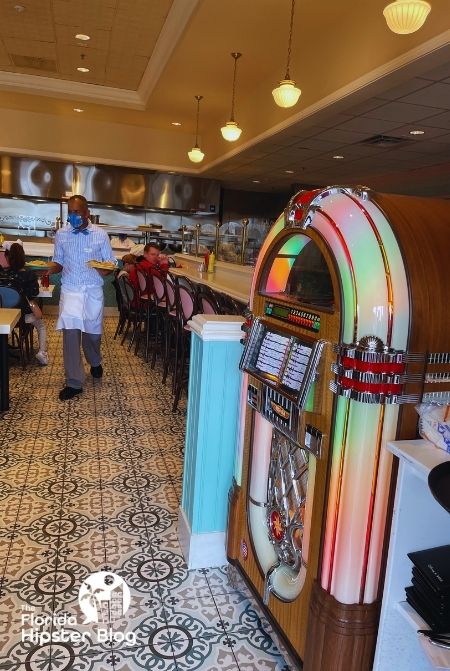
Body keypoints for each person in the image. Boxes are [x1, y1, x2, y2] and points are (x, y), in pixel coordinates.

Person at [46, 195, 117, 401]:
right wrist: (46, 270)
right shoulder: (61, 234)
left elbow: (110, 262)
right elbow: (58, 261)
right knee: (70, 336)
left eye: (76, 212)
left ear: (87, 212)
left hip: (93, 290)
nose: (73, 216)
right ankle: (74, 382)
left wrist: (106, 270)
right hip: (70, 290)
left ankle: (95, 361)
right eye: (70, 211)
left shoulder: (101, 235)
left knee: (92, 334)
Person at [0, 242, 48, 365]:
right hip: (24, 317)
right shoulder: (29, 275)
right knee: (41, 326)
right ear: (23, 258)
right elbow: (33, 294)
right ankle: (42, 353)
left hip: (4, 317)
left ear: (7, 257)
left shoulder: (3, 274)